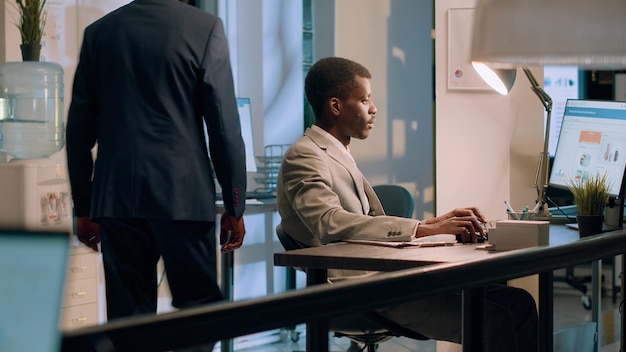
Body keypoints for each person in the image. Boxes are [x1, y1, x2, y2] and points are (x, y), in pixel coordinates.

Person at [276, 56, 538, 351]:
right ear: (336, 106)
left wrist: (434, 223)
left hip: (383, 275)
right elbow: (328, 222)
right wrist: (422, 229)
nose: (374, 109)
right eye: (364, 100)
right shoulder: (305, 155)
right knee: (494, 320)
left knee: (519, 303)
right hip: (356, 288)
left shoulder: (336, 151)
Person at [66, 0, 246, 349]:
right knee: (199, 309)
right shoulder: (204, 28)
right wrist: (234, 203)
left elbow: (78, 130)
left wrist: (84, 207)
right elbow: (223, 127)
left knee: (129, 318)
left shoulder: (99, 33)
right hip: (183, 196)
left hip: (117, 198)